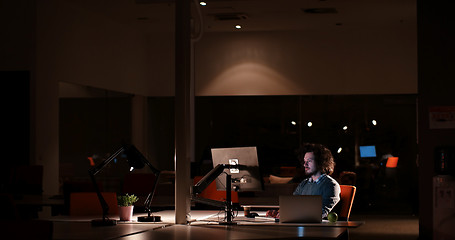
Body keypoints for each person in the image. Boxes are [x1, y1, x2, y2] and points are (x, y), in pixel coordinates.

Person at [267, 143, 341, 219]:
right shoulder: (304, 183)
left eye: (309, 161)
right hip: (302, 225)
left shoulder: (331, 185)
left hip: (319, 229)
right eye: (304, 161)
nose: (305, 164)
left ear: (320, 162)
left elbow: (321, 213)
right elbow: (292, 205)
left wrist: (292, 214)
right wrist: (280, 212)